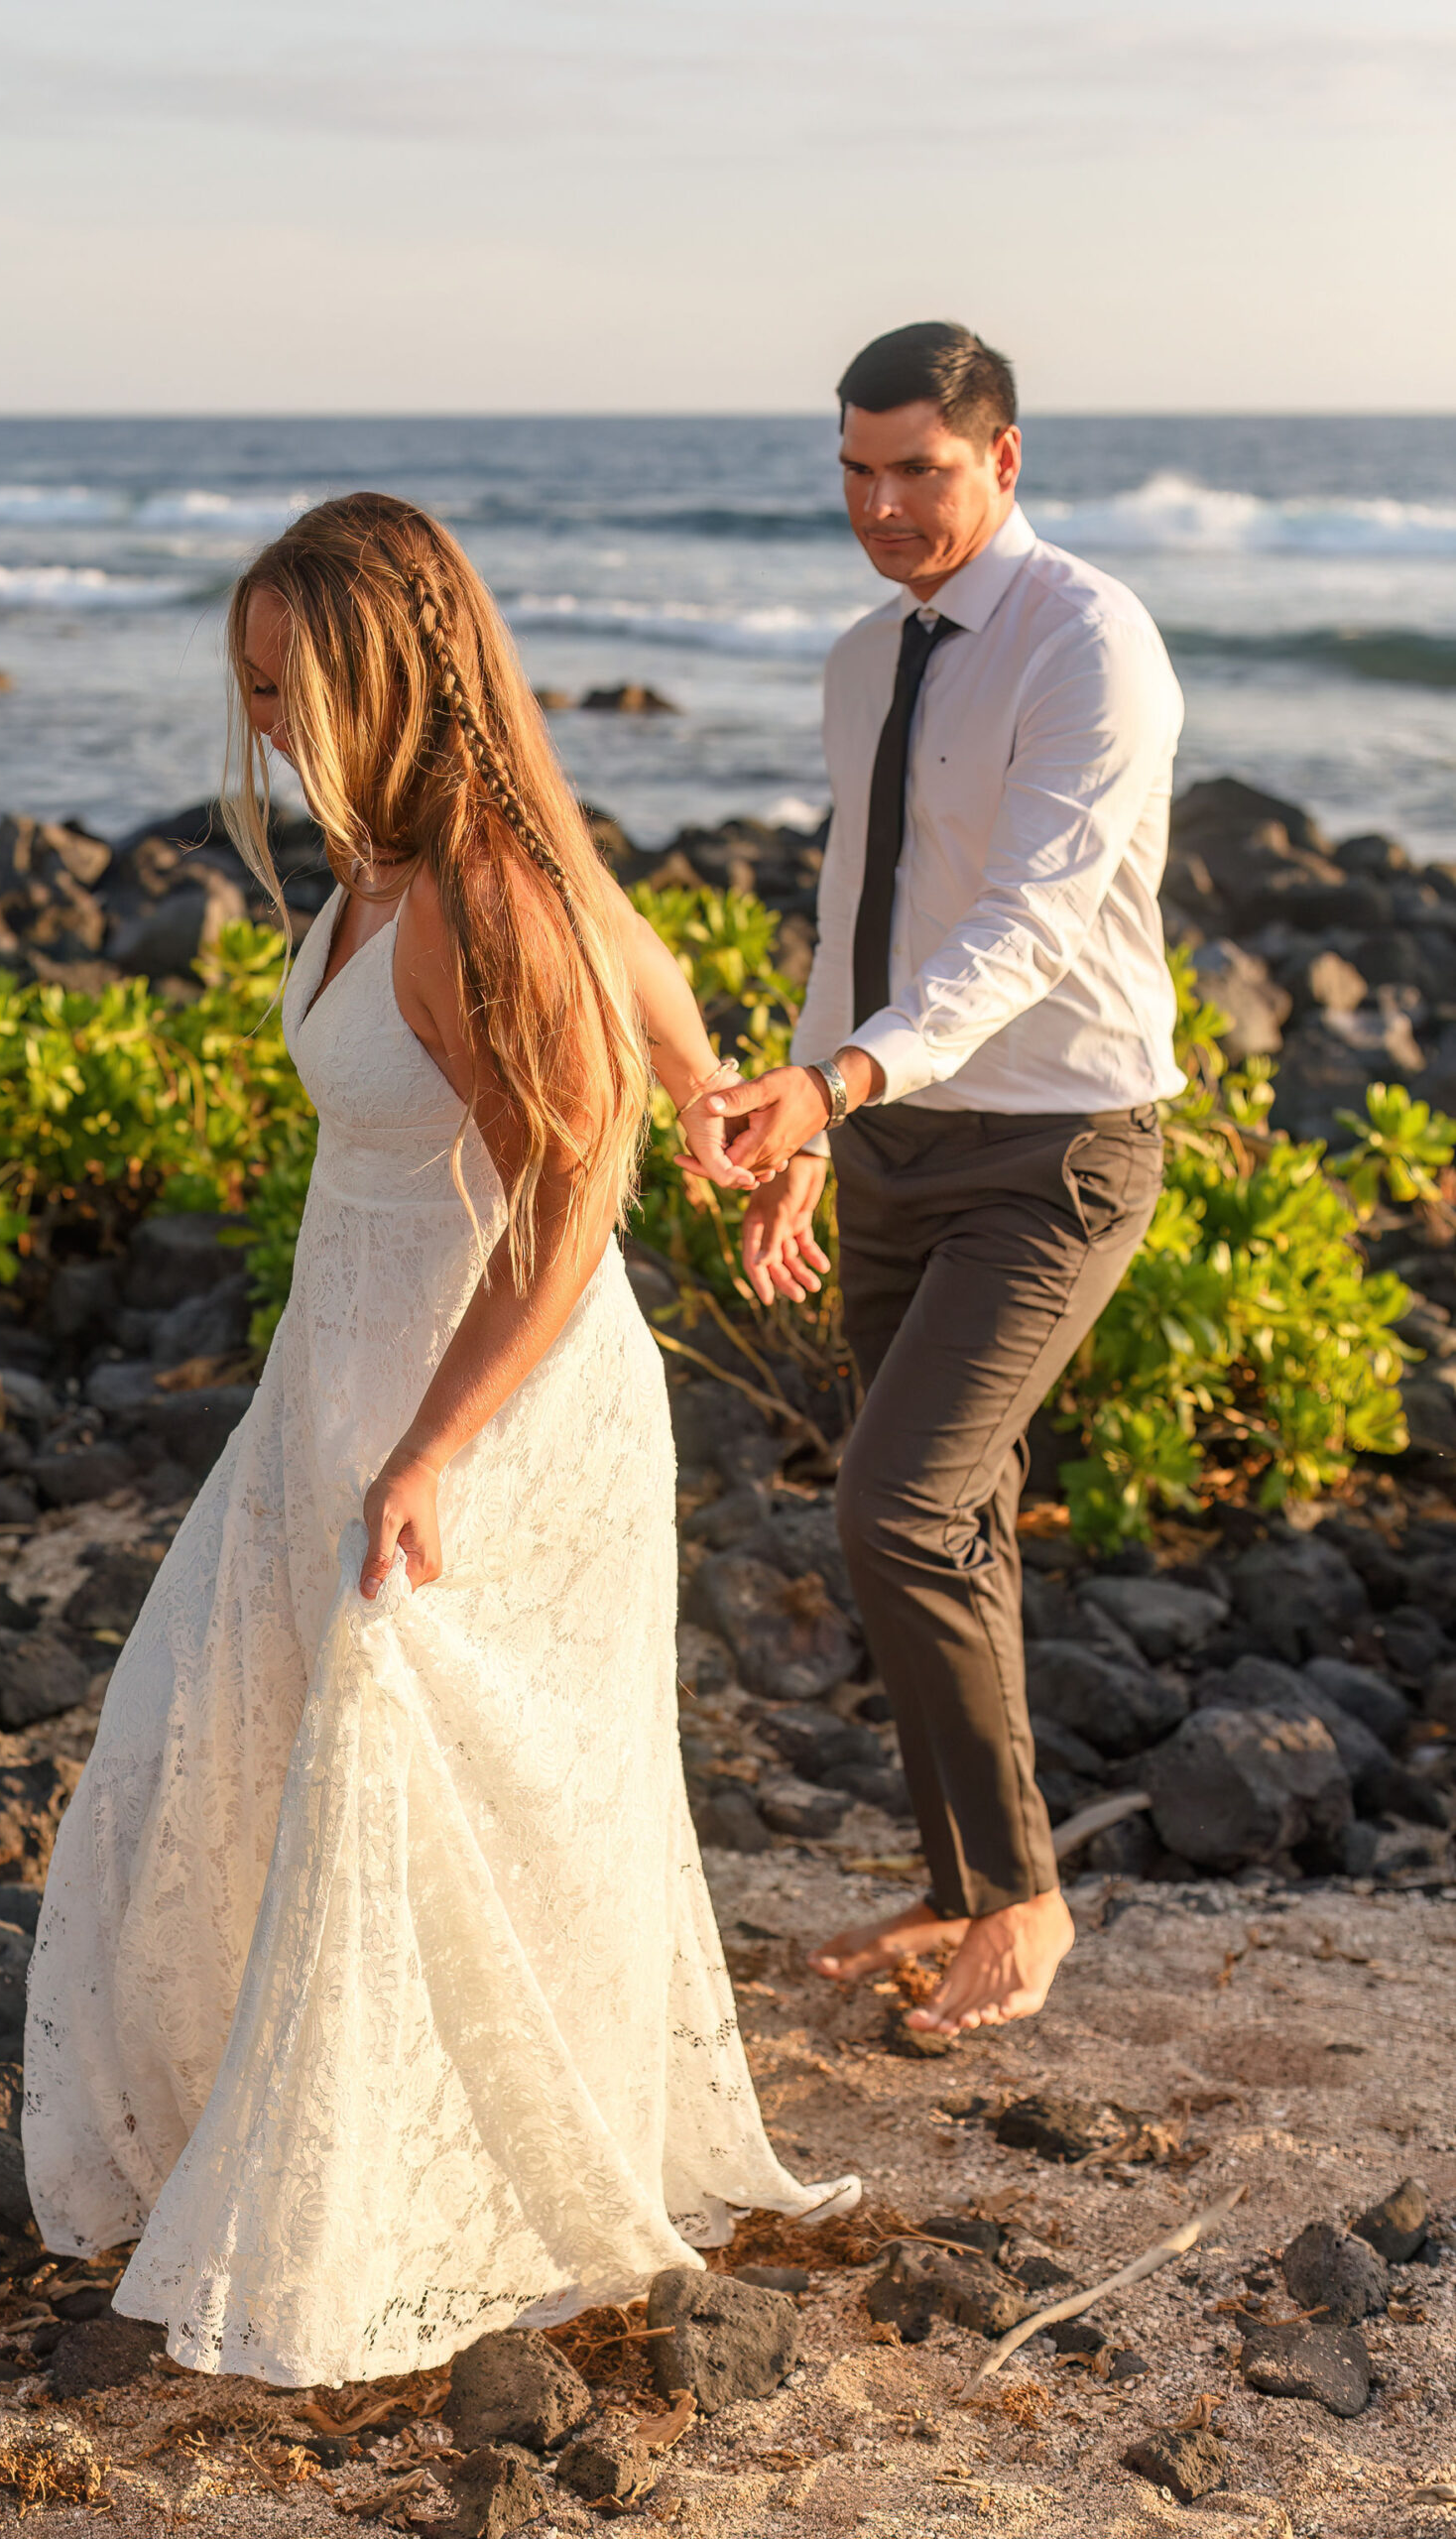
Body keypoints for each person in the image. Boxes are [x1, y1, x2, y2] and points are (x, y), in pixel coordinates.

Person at [22, 492, 855, 2390]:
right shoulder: (385, 873)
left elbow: (571, 1205)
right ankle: (340, 2158)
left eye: (286, 688)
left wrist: (430, 1455)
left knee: (445, 1796)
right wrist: (729, 1100)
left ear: (389, 677)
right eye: (249, 689)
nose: (264, 732)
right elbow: (646, 990)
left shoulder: (484, 889)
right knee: (213, 1755)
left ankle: (435, 2211)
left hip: (491, 1413)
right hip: (342, 1375)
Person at [704, 323, 1183, 2039]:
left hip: (1056, 1152)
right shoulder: (863, 658)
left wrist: (836, 1077)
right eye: (857, 470)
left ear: (1005, 458)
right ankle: (965, 1883)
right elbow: (861, 912)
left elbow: (1032, 925)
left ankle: (1028, 1908)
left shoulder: (1089, 644)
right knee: (942, 1520)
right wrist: (818, 1128)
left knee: (897, 1505)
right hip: (897, 1140)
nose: (885, 504)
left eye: (920, 468)